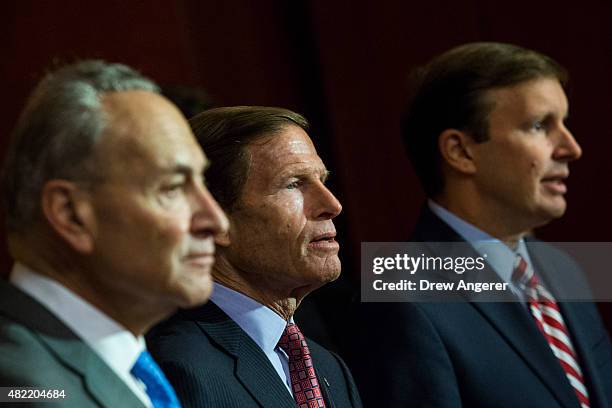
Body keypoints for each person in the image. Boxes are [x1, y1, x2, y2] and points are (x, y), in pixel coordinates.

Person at [352, 43, 612, 407]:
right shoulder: (402, 294)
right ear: (460, 151)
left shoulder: (564, 268)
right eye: (539, 126)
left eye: (564, 124)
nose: (571, 147)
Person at [0, 60, 228, 407]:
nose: (217, 222)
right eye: (173, 188)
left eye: (202, 183)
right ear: (72, 215)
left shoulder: (128, 362)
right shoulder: (26, 389)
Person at [147, 106, 363, 408]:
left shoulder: (329, 368)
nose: (332, 204)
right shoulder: (179, 366)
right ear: (215, 218)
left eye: (322, 181)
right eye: (294, 184)